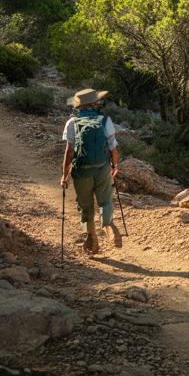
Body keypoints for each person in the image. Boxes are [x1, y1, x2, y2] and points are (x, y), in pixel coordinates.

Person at [60, 88, 121, 254]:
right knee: (105, 199)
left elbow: (69, 151)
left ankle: (91, 237)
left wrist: (64, 176)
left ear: (78, 105)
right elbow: (113, 148)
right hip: (102, 168)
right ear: (95, 103)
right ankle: (107, 224)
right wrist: (115, 166)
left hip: (81, 171)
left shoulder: (72, 122)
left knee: (85, 205)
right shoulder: (105, 120)